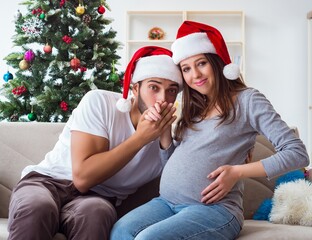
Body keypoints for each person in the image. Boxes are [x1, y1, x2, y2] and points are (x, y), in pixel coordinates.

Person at [110, 21, 310, 240]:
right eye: (186, 69)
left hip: (215, 210)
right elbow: (171, 165)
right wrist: (165, 131)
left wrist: (237, 172)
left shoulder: (248, 100)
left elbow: (297, 153)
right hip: (167, 203)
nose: (195, 74)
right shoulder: (194, 109)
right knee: (121, 230)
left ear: (216, 62)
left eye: (201, 63)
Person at [7, 46, 184, 240]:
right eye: (154, 87)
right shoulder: (100, 102)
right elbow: (83, 178)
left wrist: (164, 136)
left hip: (97, 199)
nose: (162, 99)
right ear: (135, 88)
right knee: (37, 206)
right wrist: (140, 138)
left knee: (96, 213)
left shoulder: (170, 141)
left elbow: (175, 188)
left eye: (172, 91)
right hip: (48, 182)